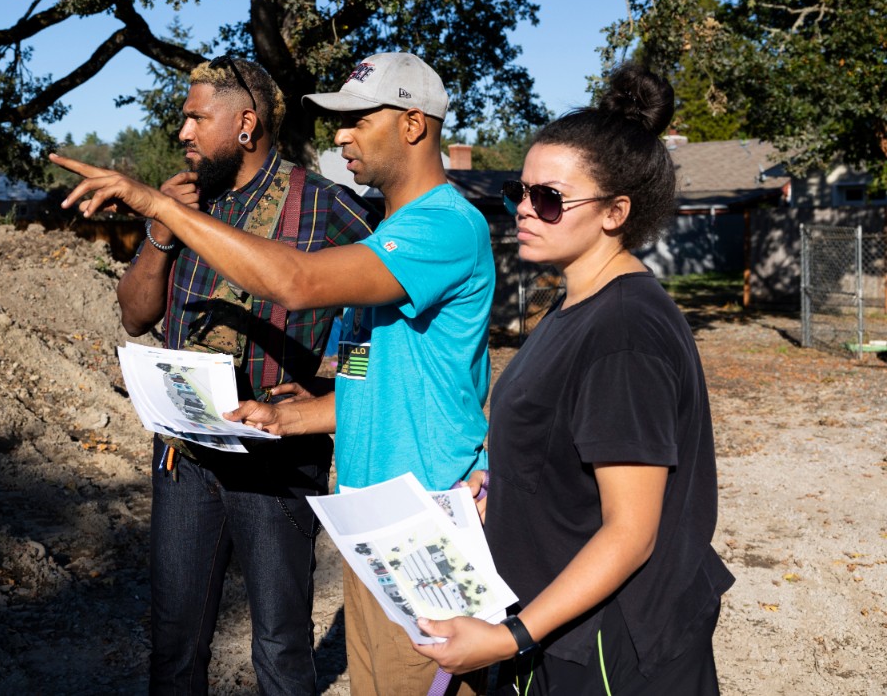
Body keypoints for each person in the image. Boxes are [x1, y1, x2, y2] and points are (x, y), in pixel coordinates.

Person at [53, 52, 496, 696]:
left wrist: (158, 205)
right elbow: (368, 360)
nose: (340, 136)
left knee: (302, 651)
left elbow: (298, 281)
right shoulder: (390, 234)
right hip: (351, 502)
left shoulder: (424, 225)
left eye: (357, 120)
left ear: (411, 124)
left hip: (417, 510)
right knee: (184, 640)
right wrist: (297, 411)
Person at [413, 63, 735, 694]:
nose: (525, 211)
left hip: (609, 649)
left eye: (550, 198)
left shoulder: (623, 334)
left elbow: (631, 532)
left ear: (616, 212)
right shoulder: (576, 303)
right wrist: (506, 479)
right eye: (520, 191)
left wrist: (510, 638)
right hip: (561, 624)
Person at [111, 56, 377, 696]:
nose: (183, 131)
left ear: (246, 124)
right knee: (175, 641)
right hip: (186, 453)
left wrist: (335, 387)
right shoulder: (183, 204)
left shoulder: (324, 207)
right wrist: (160, 230)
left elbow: (382, 314)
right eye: (183, 118)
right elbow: (135, 315)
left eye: (197, 117)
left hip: (274, 448)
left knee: (281, 648)